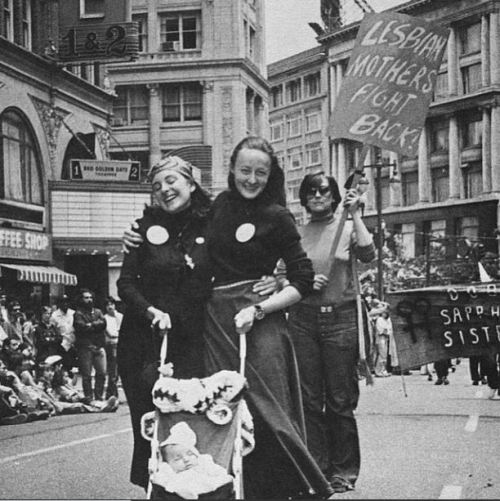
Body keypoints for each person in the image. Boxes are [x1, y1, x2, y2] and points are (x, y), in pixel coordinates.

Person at [119, 155, 281, 491]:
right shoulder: (142, 230)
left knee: (193, 420)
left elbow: (250, 254)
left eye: (172, 181)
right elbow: (125, 284)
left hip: (192, 337)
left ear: (191, 184)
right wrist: (151, 311)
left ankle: (199, 490)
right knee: (151, 422)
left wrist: (278, 277)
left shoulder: (213, 225)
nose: (164, 190)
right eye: (157, 185)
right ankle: (159, 490)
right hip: (145, 338)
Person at [203, 137, 332, 499]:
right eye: (245, 170)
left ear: (270, 174)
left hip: (259, 321)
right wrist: (136, 237)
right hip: (217, 323)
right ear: (231, 170)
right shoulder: (219, 206)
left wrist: (262, 306)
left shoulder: (277, 215)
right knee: (220, 410)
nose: (252, 179)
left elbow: (303, 279)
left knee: (269, 413)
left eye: (261, 172)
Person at [285, 171, 375, 493]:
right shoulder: (295, 234)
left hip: (341, 319)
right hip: (303, 319)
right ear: (304, 198)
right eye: (311, 191)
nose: (318, 196)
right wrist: (302, 284)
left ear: (335, 195)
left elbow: (368, 254)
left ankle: (344, 471)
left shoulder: (348, 227)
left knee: (340, 401)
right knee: (309, 400)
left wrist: (354, 215)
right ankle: (318, 468)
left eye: (324, 190)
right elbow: (283, 276)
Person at [151, 421, 233, 499]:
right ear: (169, 464)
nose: (186, 460)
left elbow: (220, 473)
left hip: (207, 493)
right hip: (179, 493)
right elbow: (160, 479)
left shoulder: (203, 463)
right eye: (177, 459)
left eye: (190, 454)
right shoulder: (169, 471)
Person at [73, 289, 107, 404]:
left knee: (101, 373)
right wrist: (96, 325)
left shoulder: (98, 312)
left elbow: (104, 323)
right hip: (85, 347)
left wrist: (91, 325)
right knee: (86, 375)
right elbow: (81, 327)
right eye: (86, 298)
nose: (89, 300)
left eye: (90, 297)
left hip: (99, 345)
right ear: (81, 299)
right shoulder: (78, 313)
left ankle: (99, 397)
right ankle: (89, 398)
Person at [50, 294, 78, 373]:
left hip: (73, 344)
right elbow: (52, 330)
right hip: (61, 345)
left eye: (67, 302)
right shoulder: (54, 315)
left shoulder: (73, 313)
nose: (65, 304)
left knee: (73, 368)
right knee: (64, 367)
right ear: (59, 303)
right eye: (63, 302)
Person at [103, 296, 123, 399]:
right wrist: (118, 333)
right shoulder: (104, 318)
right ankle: (113, 393)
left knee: (120, 369)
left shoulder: (120, 316)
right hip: (111, 345)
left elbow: (123, 331)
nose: (110, 307)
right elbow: (111, 333)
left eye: (112, 304)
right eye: (108, 305)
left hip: (121, 344)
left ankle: (110, 392)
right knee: (113, 370)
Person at [374, 309, 392, 378]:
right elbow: (380, 329)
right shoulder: (379, 319)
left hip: (386, 338)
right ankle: (378, 371)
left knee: (385, 355)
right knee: (381, 355)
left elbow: (389, 329)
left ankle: (384, 370)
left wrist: (387, 331)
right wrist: (386, 331)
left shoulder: (387, 320)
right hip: (380, 338)